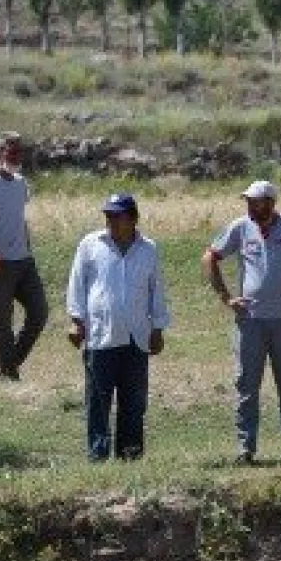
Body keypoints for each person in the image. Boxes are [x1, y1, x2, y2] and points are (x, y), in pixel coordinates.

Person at [203, 180, 281, 464]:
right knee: (247, 386)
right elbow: (210, 257)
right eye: (248, 201)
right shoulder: (239, 227)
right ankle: (246, 450)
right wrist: (227, 298)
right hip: (250, 321)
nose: (250, 206)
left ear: (271, 203)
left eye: (256, 201)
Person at [64, 194, 170, 461]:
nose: (110, 220)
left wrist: (158, 328)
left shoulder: (148, 249)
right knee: (98, 402)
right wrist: (77, 321)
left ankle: (130, 455)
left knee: (133, 403)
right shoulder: (90, 245)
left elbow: (156, 290)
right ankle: (98, 456)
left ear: (132, 218)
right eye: (108, 215)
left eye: (117, 215)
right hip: (101, 335)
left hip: (137, 336)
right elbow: (77, 284)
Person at [0, 131, 48, 380]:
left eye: (18, 151)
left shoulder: (21, 183)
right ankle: (8, 373)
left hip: (24, 260)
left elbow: (19, 220)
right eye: (10, 150)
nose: (15, 155)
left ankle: (7, 366)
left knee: (39, 313)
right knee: (3, 322)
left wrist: (28, 248)